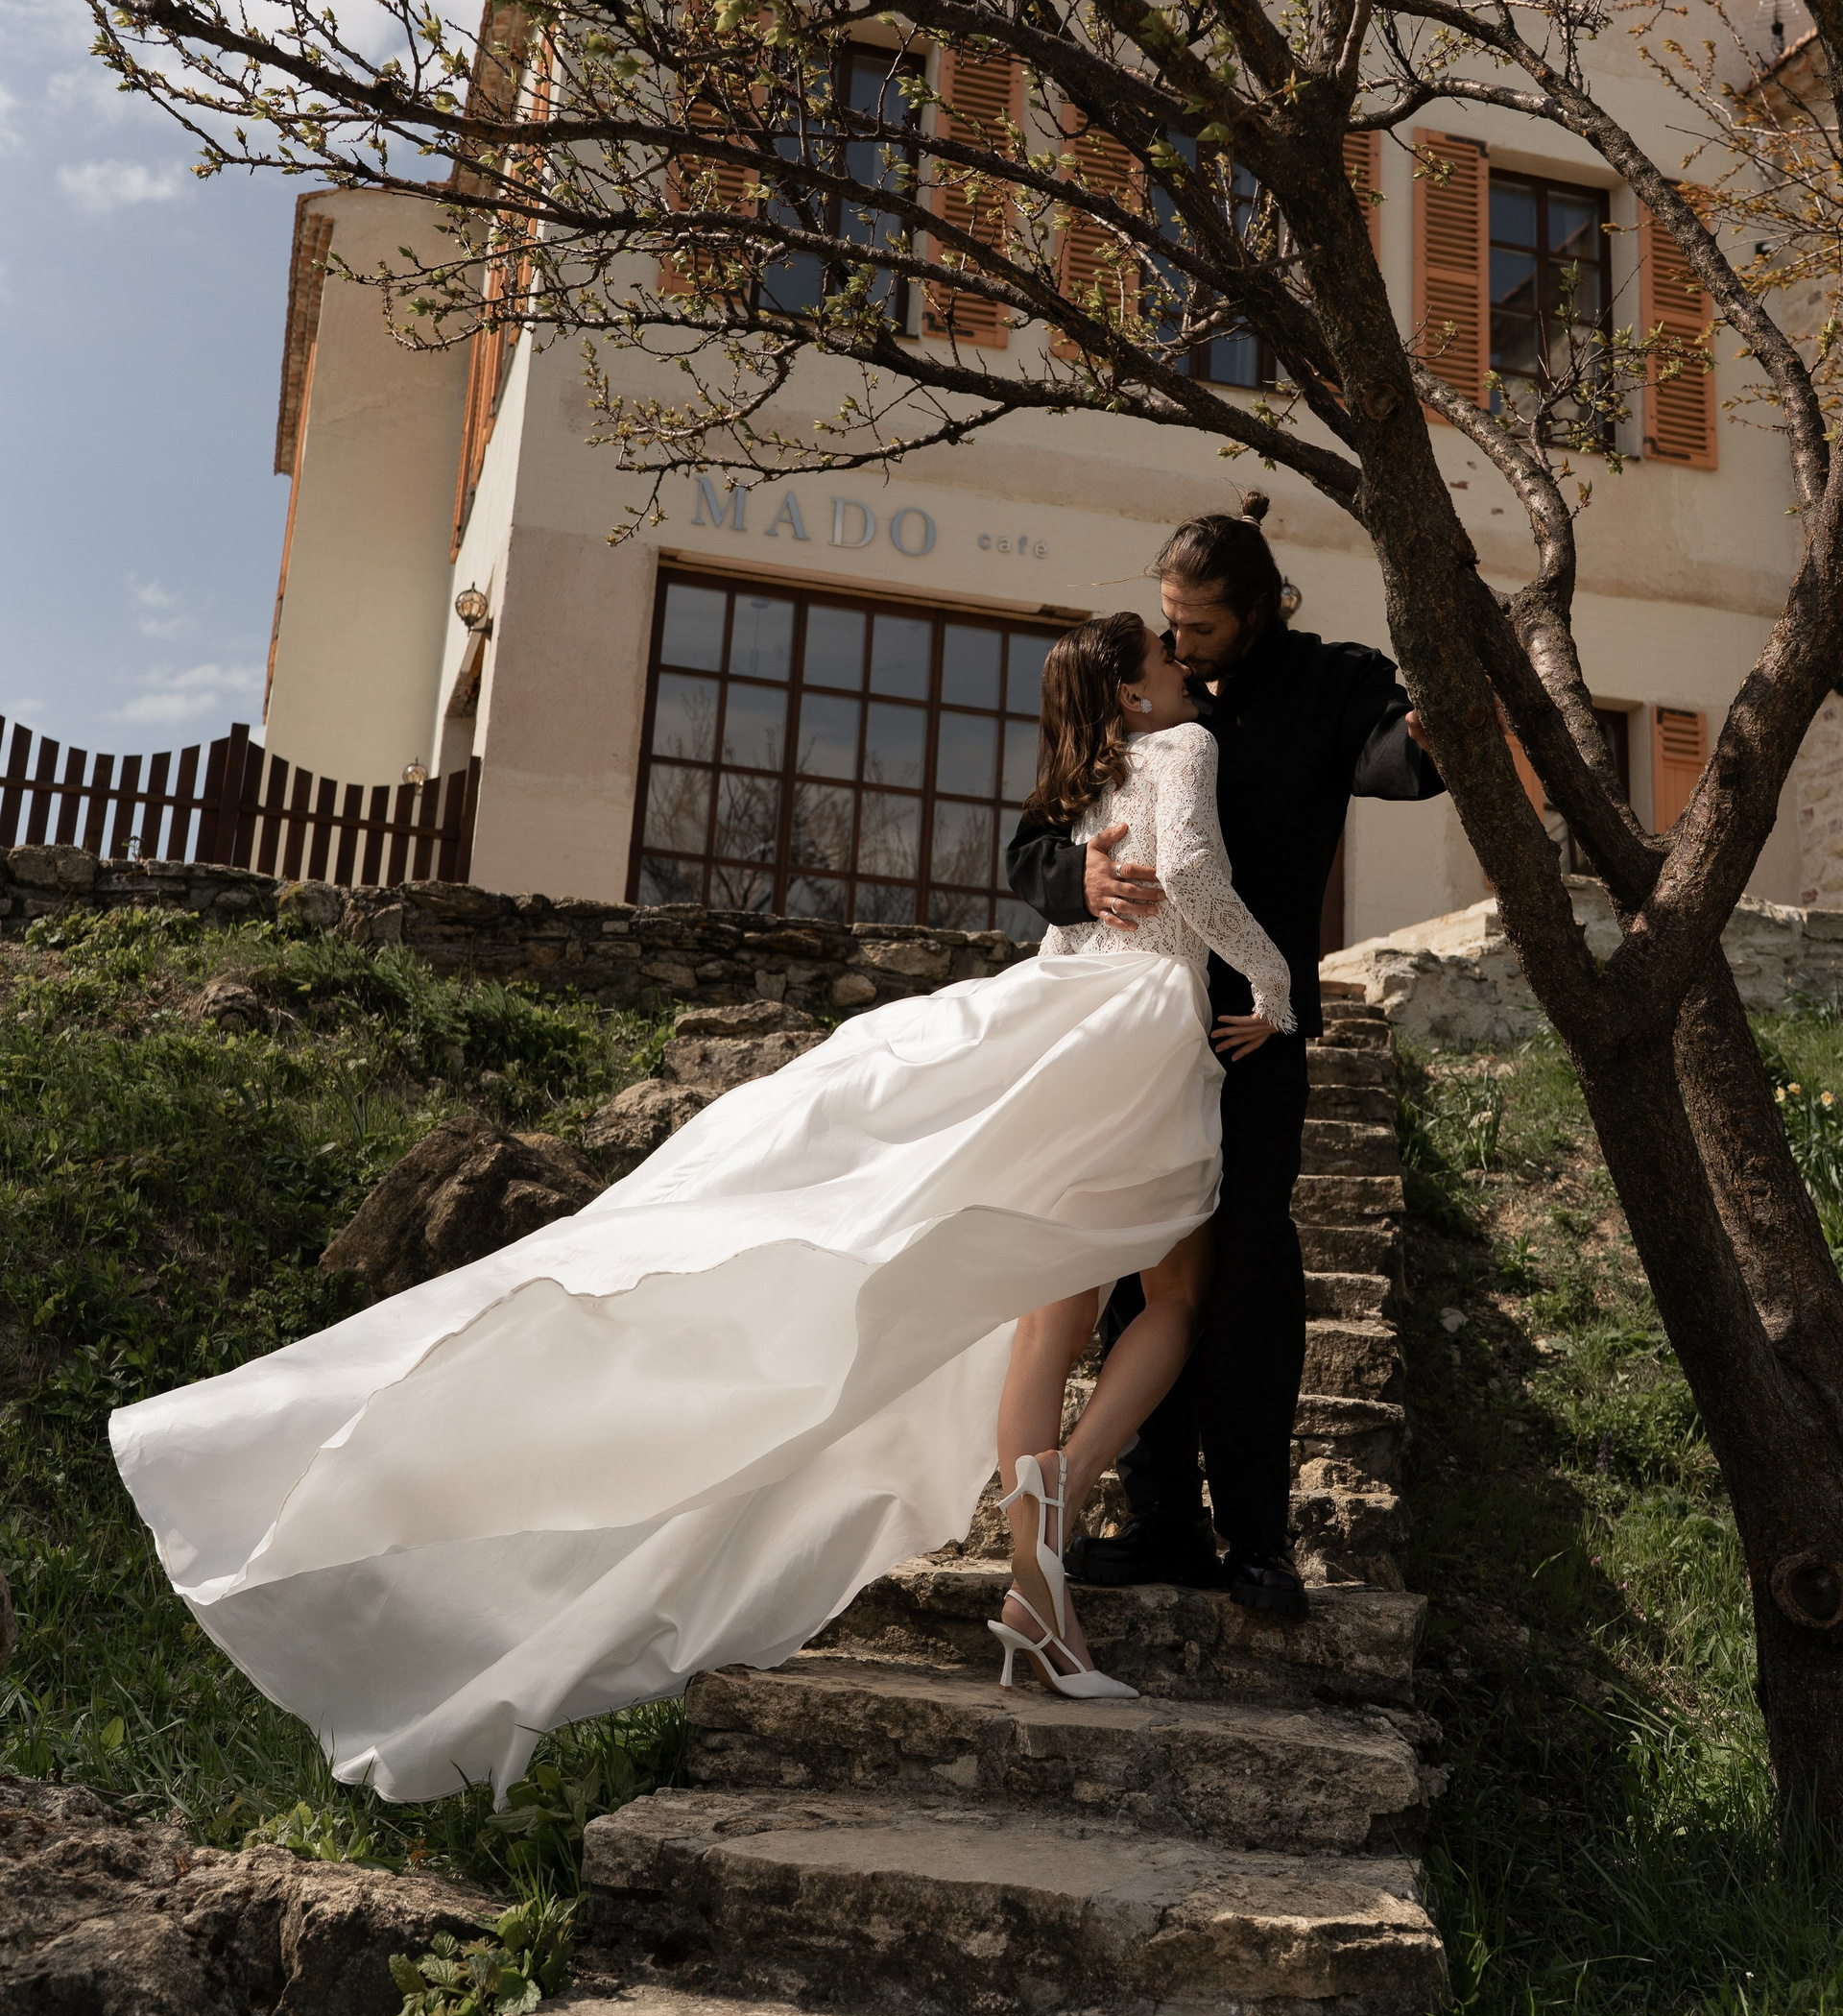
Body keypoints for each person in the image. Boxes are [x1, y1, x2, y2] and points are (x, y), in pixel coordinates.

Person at [109, 614, 1289, 1794]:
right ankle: (1059, 1502)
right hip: (1139, 1026)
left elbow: (1074, 887)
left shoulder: (1088, 773)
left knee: (1048, 1316)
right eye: (1167, 660)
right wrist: (1276, 979)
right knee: (1175, 1294)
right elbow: (1189, 874)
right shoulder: (1186, 747)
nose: (1184, 667)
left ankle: (1038, 1590)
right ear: (1134, 693)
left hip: (1056, 1014)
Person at [1006, 500, 1445, 1617]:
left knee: (1244, 1277)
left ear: (1260, 610)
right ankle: (1160, 1520)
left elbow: (1397, 758)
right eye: (1171, 623)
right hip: (1131, 1031)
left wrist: (1439, 732)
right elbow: (1033, 845)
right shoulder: (1139, 688)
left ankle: (1256, 1538)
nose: (1181, 644)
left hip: (1249, 1036)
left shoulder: (1335, 681)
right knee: (1133, 1273)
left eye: (1200, 627)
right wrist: (1078, 880)